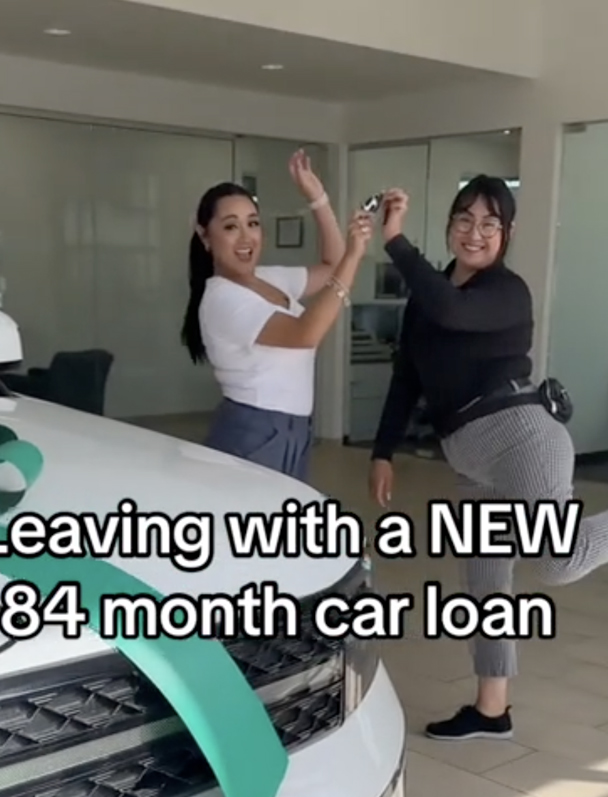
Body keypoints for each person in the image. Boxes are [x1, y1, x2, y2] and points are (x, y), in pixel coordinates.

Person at [369, 177, 608, 741]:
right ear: (450, 225)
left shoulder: (508, 291)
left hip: (520, 437)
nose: (473, 233)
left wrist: (396, 243)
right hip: (470, 458)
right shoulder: (425, 300)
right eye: (463, 220)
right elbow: (407, 376)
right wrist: (382, 452)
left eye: (489, 223)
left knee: (556, 561)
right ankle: (491, 708)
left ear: (508, 234)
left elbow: (453, 311)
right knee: (484, 583)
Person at [182, 150, 372, 481]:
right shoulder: (221, 299)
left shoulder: (267, 278)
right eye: (230, 226)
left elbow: (332, 266)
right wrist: (355, 256)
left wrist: (318, 199)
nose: (246, 238)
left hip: (292, 428)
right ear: (204, 236)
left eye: (253, 224)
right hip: (255, 430)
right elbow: (305, 334)